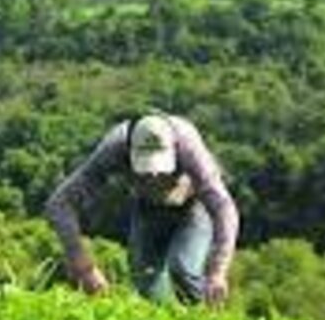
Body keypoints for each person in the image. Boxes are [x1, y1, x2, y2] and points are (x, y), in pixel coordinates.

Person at [44, 112, 239, 305]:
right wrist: (83, 266)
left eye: (161, 170)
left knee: (183, 270)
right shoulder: (114, 148)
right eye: (146, 171)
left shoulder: (188, 146)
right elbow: (60, 203)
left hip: (193, 204)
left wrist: (218, 271)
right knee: (146, 281)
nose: (154, 176)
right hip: (147, 206)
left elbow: (223, 207)